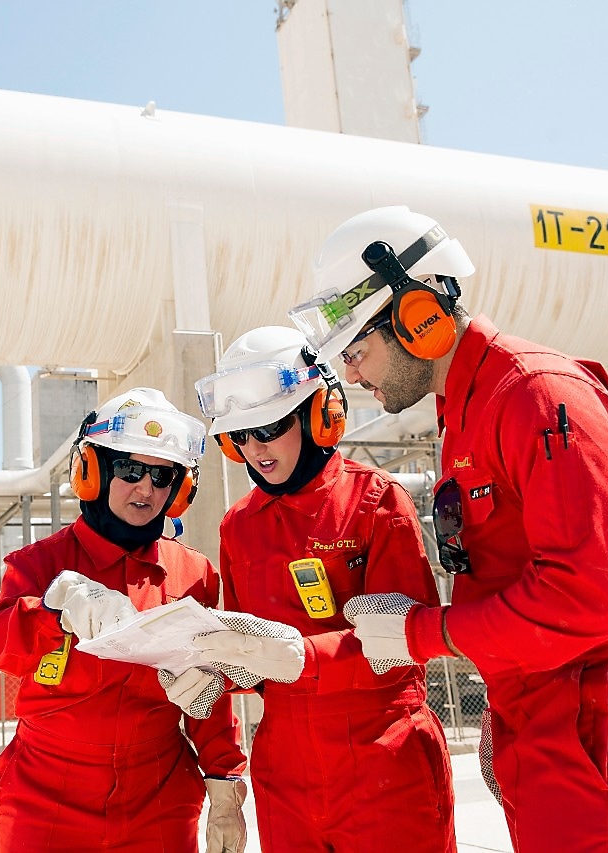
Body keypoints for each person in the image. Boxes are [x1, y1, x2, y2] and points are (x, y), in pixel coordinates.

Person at [288, 205, 608, 851]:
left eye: (357, 351)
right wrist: (507, 704)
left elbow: (590, 595)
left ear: (416, 317)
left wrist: (422, 631)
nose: (355, 377)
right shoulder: (469, 413)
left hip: (602, 722)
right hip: (543, 712)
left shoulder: (536, 395)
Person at [0, 387, 302, 853]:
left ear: (180, 490)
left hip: (159, 795)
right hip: (46, 795)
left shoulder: (194, 573)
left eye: (163, 476)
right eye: (131, 470)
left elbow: (207, 695)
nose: (146, 488)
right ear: (94, 472)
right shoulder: (40, 566)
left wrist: (225, 784)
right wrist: (52, 610)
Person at [188, 326, 456, 853]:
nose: (254, 449)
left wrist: (302, 657)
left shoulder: (376, 500)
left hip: (384, 757)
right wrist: (210, 667)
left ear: (319, 414)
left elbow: (406, 646)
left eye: (268, 427)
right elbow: (247, 656)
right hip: (284, 771)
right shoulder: (238, 525)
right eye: (239, 436)